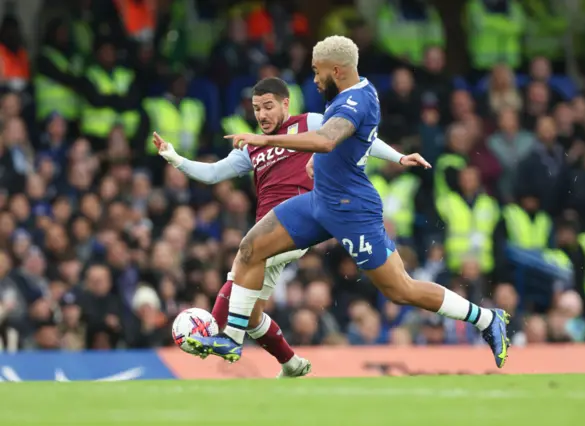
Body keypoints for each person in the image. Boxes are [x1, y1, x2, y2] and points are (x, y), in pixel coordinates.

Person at [187, 36, 511, 369]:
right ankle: (231, 339)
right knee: (250, 248)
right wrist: (340, 161)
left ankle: (486, 319)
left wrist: (266, 139)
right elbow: (345, 145)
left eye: (317, 71)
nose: (313, 79)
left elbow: (327, 140)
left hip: (351, 208)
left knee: (401, 289)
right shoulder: (347, 94)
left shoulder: (354, 103)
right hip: (319, 201)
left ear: (337, 70)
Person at [153, 76, 425, 376]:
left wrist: (398, 157)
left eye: (268, 107)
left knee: (240, 268)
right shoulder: (252, 148)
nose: (262, 115)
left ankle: (219, 333)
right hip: (266, 232)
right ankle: (291, 364)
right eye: (256, 109)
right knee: (253, 312)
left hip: (297, 225)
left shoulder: (309, 123)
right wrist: (175, 158)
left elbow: (361, 139)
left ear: (285, 103)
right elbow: (213, 173)